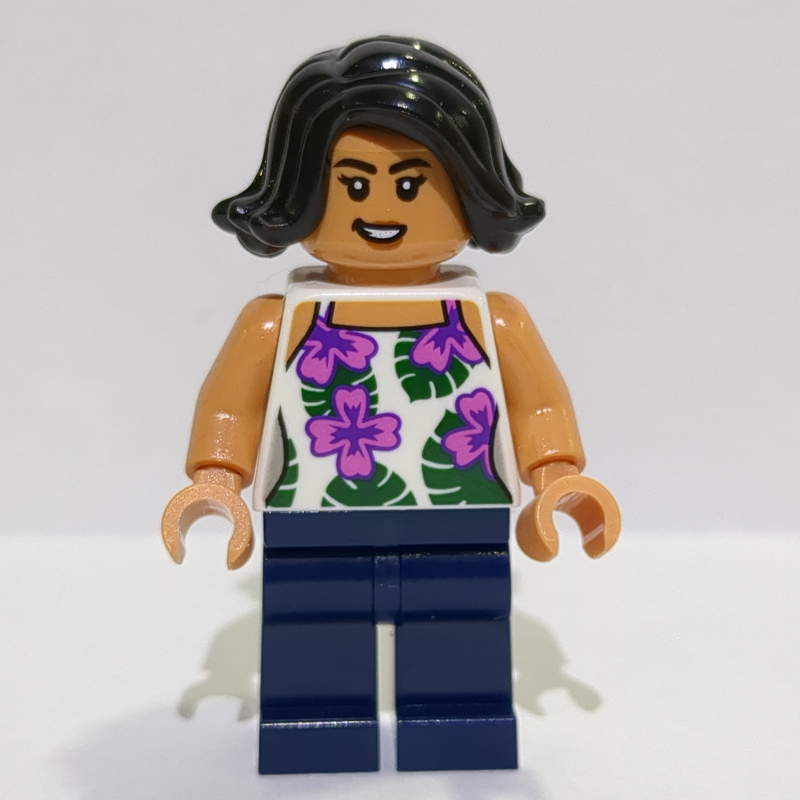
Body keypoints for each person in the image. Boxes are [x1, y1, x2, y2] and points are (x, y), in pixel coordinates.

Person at [162, 36, 620, 774]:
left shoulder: (493, 318)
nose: (380, 209)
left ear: (469, 189)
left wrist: (557, 477)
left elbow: (537, 408)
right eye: (352, 183)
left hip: (460, 510)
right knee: (313, 628)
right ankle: (315, 726)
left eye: (411, 185)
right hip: (312, 514)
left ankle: (459, 724)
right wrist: (217, 480)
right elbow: (232, 411)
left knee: (461, 626)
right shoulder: (276, 322)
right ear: (301, 190)